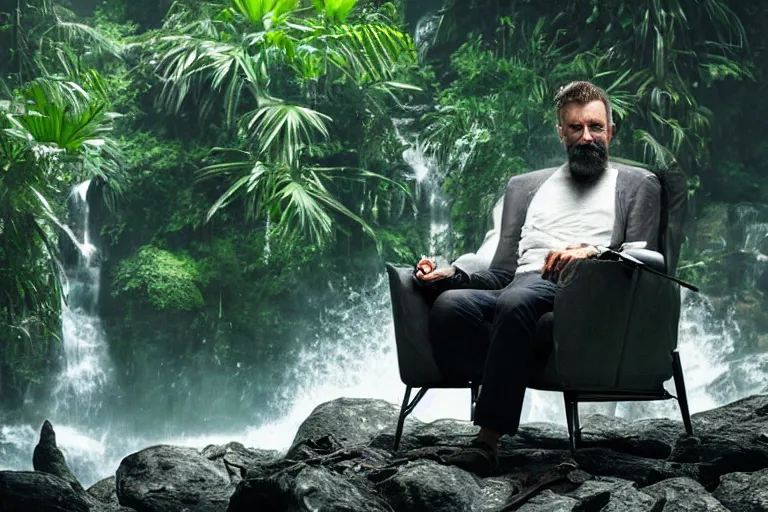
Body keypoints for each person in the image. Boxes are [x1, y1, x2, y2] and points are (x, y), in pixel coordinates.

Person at [413, 80, 662, 475]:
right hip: (521, 286)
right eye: (576, 128)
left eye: (596, 127)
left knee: (515, 304)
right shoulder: (528, 188)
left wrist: (590, 252)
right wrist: (451, 274)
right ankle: (513, 368)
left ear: (610, 131)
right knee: (449, 306)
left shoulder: (636, 184)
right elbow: (497, 265)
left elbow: (643, 256)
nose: (587, 137)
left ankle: (487, 441)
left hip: (583, 288)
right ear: (560, 131)